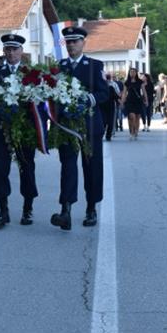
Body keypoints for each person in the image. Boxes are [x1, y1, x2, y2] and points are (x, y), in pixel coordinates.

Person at [52, 26, 109, 230]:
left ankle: (91, 208)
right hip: (67, 127)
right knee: (67, 168)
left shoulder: (94, 65)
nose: (71, 45)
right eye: (68, 42)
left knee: (91, 168)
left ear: (83, 43)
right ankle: (65, 210)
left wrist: (88, 100)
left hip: (90, 125)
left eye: (75, 41)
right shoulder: (60, 67)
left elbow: (105, 93)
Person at [0, 34, 38, 229]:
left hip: (24, 128)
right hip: (2, 127)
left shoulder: (30, 72)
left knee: (27, 167)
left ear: (21, 51)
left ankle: (27, 208)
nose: (11, 53)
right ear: (4, 51)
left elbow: (39, 101)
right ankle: (3, 210)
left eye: (15, 49)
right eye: (8, 49)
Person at [120, 67, 146, 140]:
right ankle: (131, 132)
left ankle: (136, 131)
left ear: (136, 73)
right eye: (131, 72)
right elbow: (124, 93)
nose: (132, 73)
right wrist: (122, 102)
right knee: (131, 117)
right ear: (129, 73)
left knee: (137, 118)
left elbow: (144, 92)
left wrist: (146, 100)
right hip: (129, 101)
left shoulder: (140, 82)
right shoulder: (127, 82)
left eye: (134, 72)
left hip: (138, 101)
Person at [101, 73, 120, 140]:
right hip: (102, 107)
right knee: (103, 122)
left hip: (111, 107)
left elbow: (116, 96)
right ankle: (103, 134)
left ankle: (108, 136)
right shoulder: (101, 88)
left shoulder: (112, 87)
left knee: (110, 122)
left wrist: (119, 102)